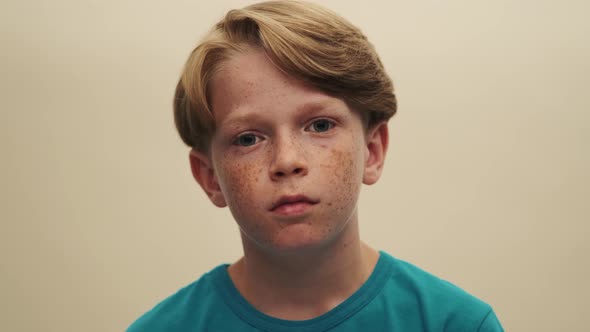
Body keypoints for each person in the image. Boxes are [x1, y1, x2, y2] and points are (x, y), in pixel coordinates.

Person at [127, 1, 504, 331]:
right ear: (209, 178)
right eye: (248, 139)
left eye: (319, 126)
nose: (287, 161)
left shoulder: (455, 324)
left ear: (372, 151)